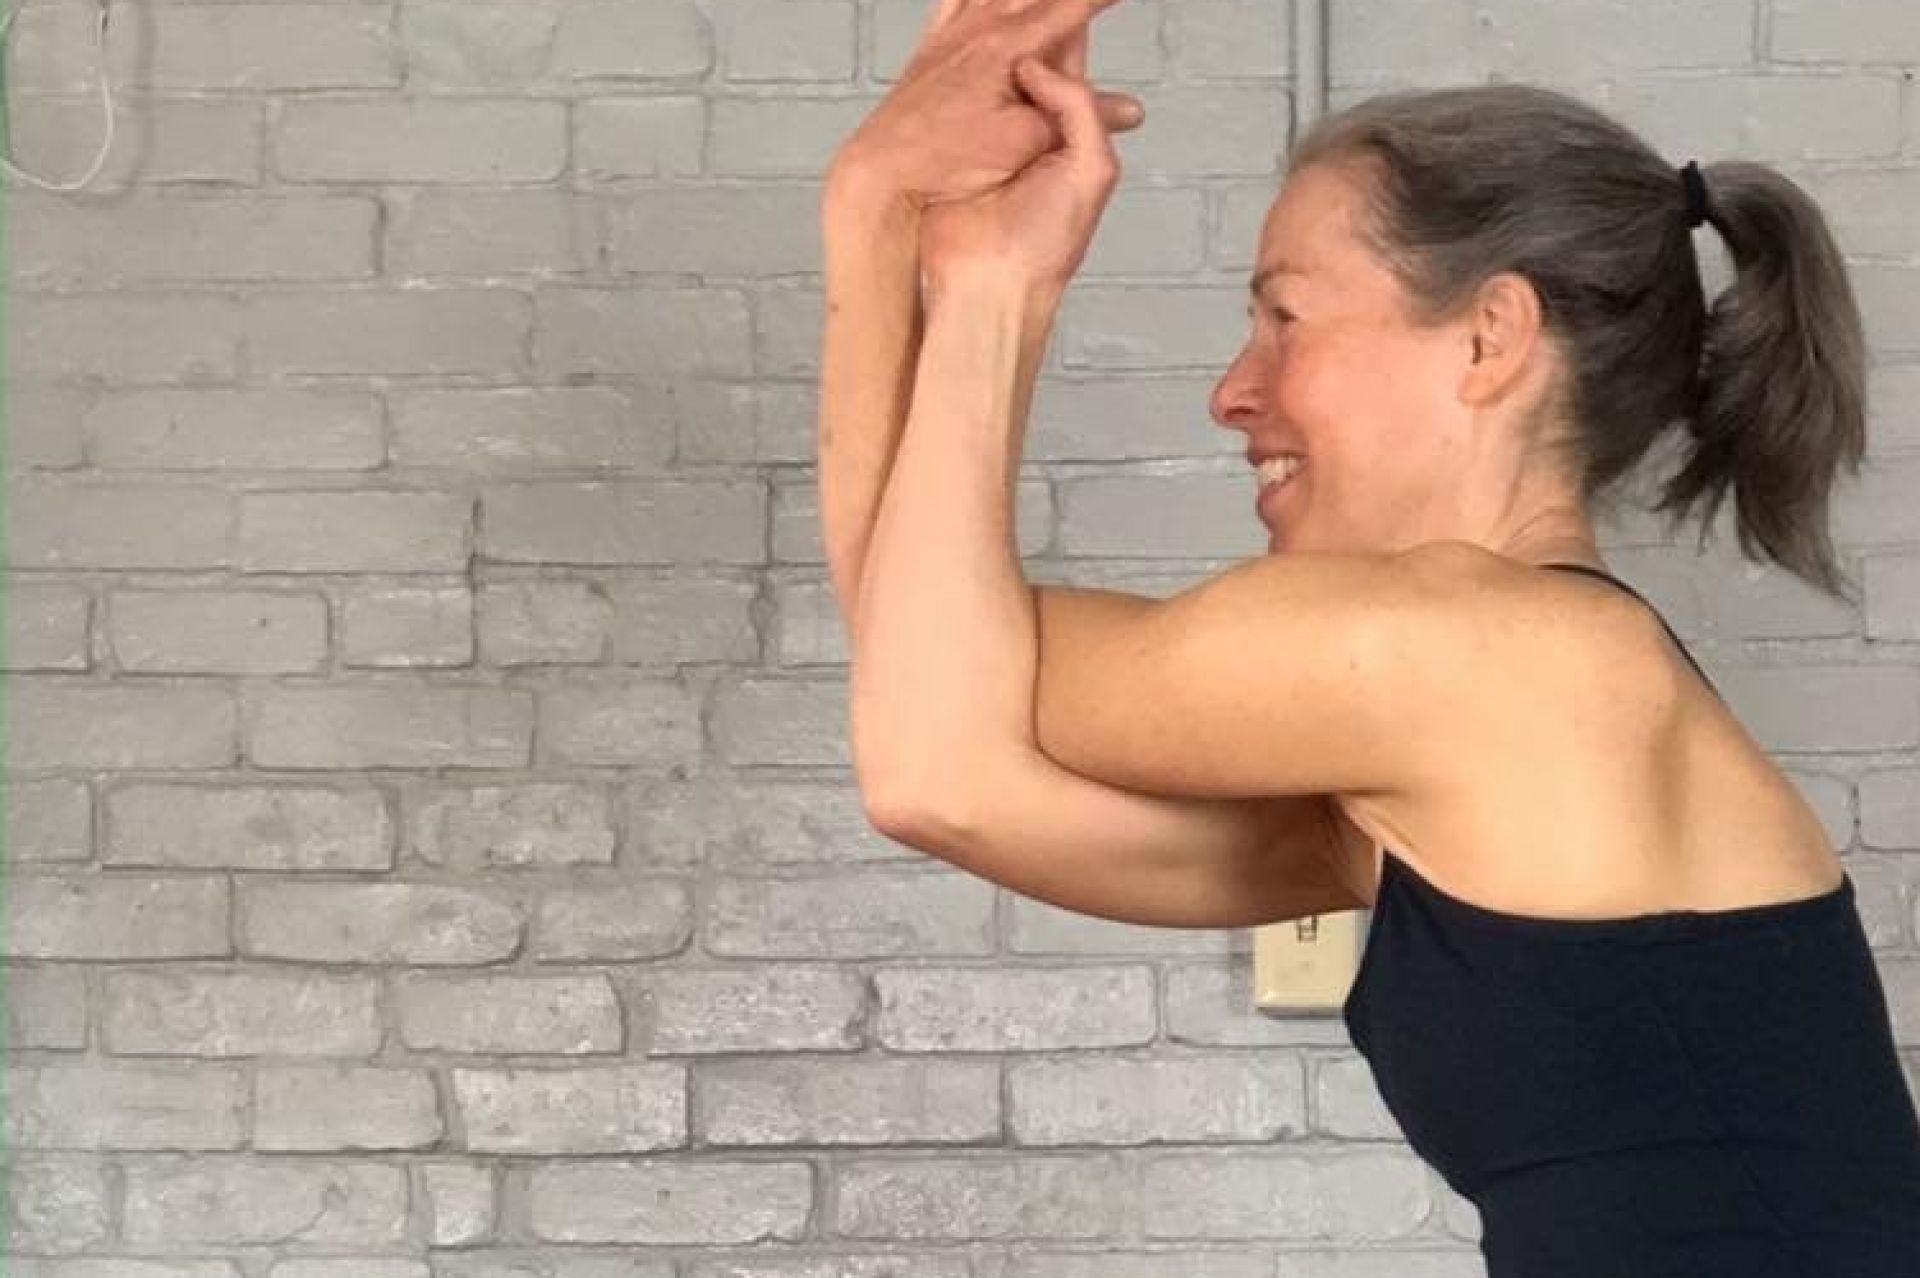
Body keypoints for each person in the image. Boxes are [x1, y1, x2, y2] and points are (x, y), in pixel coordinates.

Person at [817, 2, 1920, 1274]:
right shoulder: (1500, 715)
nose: (1235, 389)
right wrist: (887, 221)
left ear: (1491, 337)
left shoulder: (1473, 654)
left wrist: (982, 275)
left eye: (1285, 316)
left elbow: (931, 711)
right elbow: (937, 734)